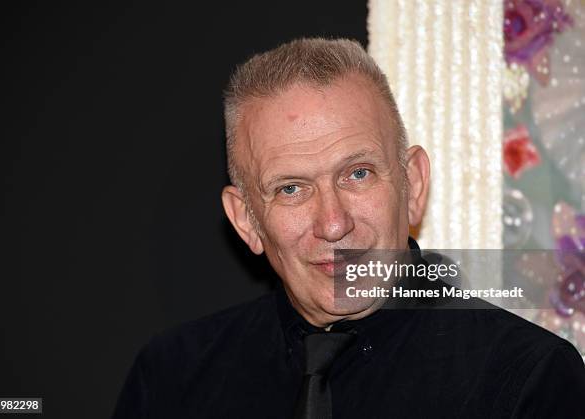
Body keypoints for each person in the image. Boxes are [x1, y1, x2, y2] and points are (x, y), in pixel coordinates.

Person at [113, 38, 585, 419]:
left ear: (413, 183)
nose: (333, 224)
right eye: (291, 189)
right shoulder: (170, 379)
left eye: (357, 174)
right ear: (246, 220)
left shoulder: (528, 379)